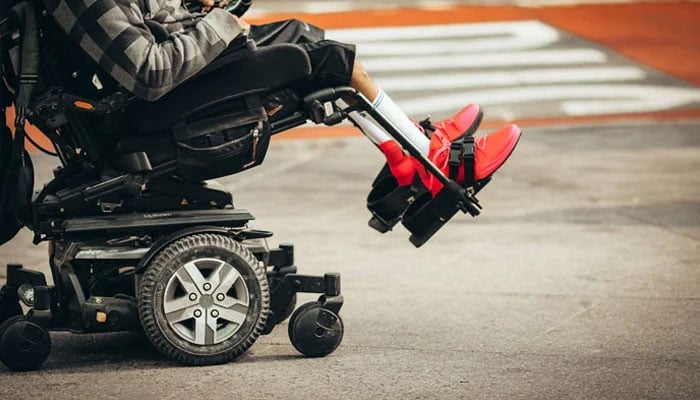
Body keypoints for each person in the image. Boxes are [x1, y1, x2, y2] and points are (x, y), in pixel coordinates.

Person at [49, 0, 520, 196]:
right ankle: (429, 161)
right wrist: (220, 25)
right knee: (325, 59)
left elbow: (149, 21)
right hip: (152, 107)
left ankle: (410, 149)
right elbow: (149, 72)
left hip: (155, 90)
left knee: (302, 34)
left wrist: (194, 9)